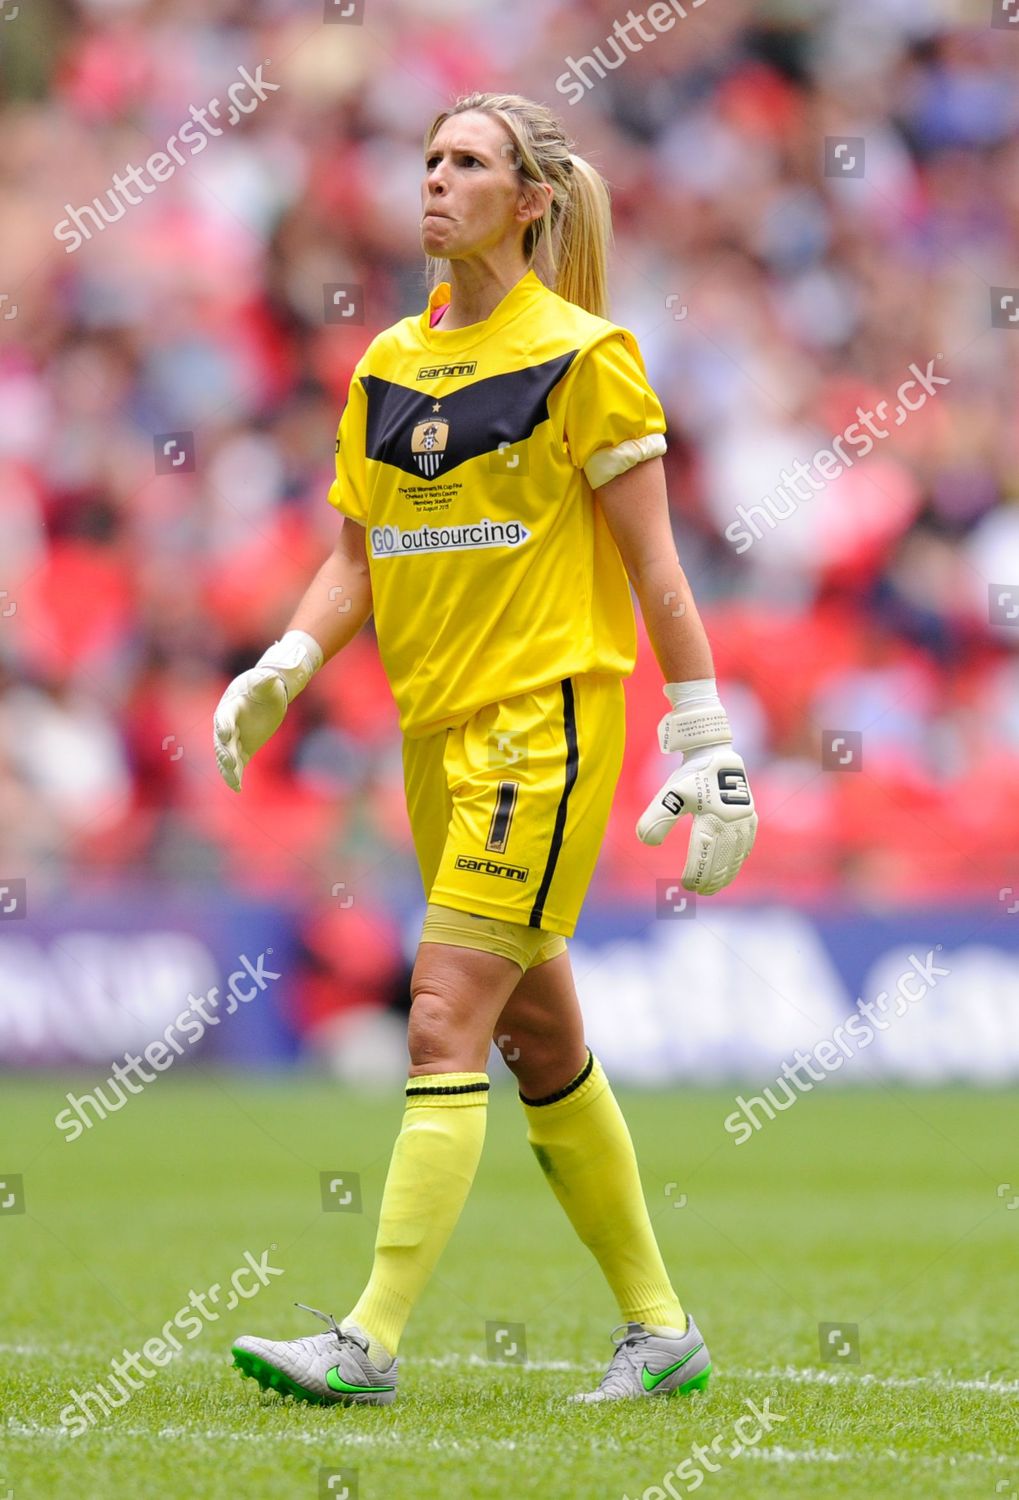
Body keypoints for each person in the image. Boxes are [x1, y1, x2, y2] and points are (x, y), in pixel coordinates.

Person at [214, 91, 756, 1407]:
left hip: (545, 727)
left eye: (469, 163)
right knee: (538, 1041)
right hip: (434, 740)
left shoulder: (587, 354)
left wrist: (704, 729)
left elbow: (657, 566)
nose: (437, 180)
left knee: (443, 1012)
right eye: (429, 159)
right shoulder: (387, 363)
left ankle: (367, 1338)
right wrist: (288, 658)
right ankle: (659, 1328)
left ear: (531, 201)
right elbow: (358, 550)